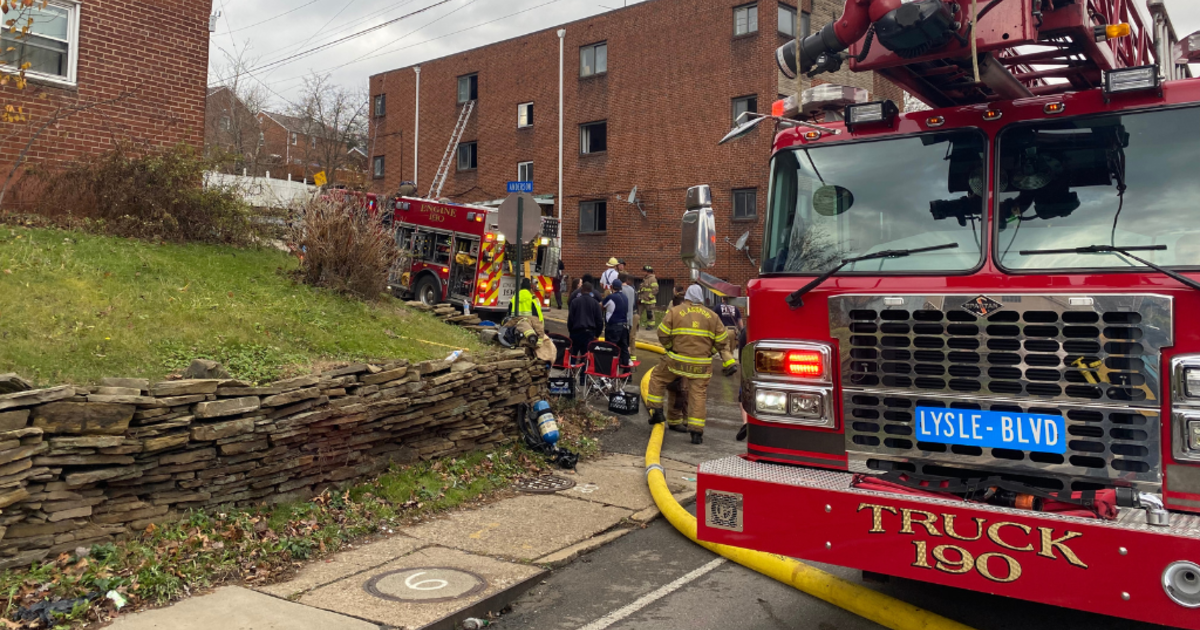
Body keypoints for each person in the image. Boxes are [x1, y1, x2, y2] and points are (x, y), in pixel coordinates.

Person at [646, 285, 738, 444]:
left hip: (676, 361)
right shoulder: (712, 316)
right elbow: (723, 340)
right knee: (698, 395)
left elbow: (662, 333)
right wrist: (710, 352)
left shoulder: (675, 312)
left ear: (687, 296)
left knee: (657, 378)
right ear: (701, 298)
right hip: (701, 365)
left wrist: (670, 348)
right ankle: (696, 432)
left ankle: (657, 412)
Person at [567, 281, 604, 380]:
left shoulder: (575, 302)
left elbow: (570, 319)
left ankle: (571, 378)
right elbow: (599, 321)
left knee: (573, 355)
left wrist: (571, 330)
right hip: (589, 333)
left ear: (582, 290)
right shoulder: (595, 304)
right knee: (585, 357)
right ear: (591, 291)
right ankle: (583, 379)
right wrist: (597, 334)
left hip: (576, 332)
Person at [601, 279, 631, 367]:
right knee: (624, 348)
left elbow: (602, 306)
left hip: (613, 327)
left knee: (610, 348)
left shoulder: (611, 297)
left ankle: (609, 369)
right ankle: (626, 371)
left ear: (611, 287)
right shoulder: (625, 297)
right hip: (624, 326)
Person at [508, 277, 545, 346]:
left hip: (516, 321)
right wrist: (541, 325)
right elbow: (538, 313)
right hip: (531, 321)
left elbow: (509, 311)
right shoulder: (533, 298)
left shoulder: (515, 297)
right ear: (530, 288)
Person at [619, 273, 638, 364]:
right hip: (630, 319)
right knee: (628, 340)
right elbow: (634, 304)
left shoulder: (620, 290)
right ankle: (629, 360)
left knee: (621, 342)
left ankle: (621, 361)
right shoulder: (632, 290)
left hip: (621, 320)